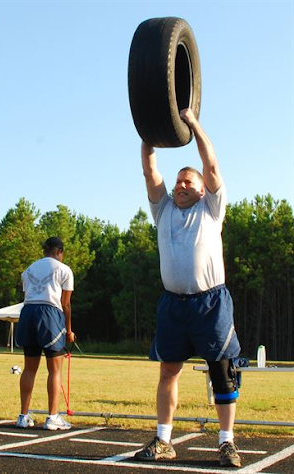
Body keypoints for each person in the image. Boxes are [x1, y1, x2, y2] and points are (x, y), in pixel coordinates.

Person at [135, 109, 242, 468]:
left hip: (211, 303)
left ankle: (226, 443)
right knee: (168, 371)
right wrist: (149, 129)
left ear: (202, 189)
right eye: (178, 182)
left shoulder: (211, 207)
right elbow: (150, 170)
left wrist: (193, 124)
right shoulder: (162, 210)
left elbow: (210, 166)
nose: (181, 186)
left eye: (188, 182)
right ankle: (164, 440)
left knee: (222, 371)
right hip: (173, 305)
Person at [15, 236, 75, 431]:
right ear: (59, 252)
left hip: (28, 312)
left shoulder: (29, 269)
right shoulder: (64, 269)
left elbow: (29, 294)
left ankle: (23, 416)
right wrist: (69, 330)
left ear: (44, 250)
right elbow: (65, 303)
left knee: (29, 368)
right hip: (50, 313)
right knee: (55, 369)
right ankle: (53, 417)